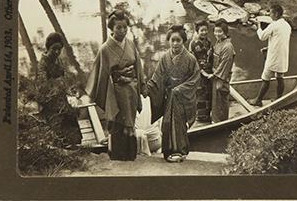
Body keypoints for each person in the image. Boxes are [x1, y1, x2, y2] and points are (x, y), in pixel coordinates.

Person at [85, 10, 144, 161]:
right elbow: (101, 74)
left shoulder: (130, 43)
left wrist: (141, 85)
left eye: (125, 27)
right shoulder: (105, 49)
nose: (122, 31)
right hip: (115, 92)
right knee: (117, 124)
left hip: (131, 90)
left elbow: (138, 67)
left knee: (130, 123)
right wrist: (117, 75)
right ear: (112, 28)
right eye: (118, 27)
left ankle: (130, 155)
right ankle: (117, 156)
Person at [143, 25, 201, 162]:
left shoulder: (190, 59)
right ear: (168, 41)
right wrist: (147, 88)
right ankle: (168, 151)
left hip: (182, 98)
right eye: (172, 40)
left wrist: (180, 89)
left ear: (183, 41)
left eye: (178, 40)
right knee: (167, 122)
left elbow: (195, 79)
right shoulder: (165, 58)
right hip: (169, 96)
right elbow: (157, 77)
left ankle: (180, 151)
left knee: (180, 124)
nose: (175, 43)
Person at [36, 32, 82, 146]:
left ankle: (73, 143)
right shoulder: (42, 64)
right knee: (59, 132)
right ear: (48, 48)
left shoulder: (58, 60)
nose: (57, 52)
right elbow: (43, 85)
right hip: (49, 101)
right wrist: (58, 85)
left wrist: (71, 89)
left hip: (61, 98)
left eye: (59, 49)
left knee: (74, 133)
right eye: (54, 49)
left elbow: (65, 76)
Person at [251, 4, 291, 106]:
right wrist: (268, 48)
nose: (270, 15)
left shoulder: (274, 25)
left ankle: (258, 100)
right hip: (283, 56)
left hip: (273, 58)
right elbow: (280, 41)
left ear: (276, 14)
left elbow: (262, 37)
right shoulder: (287, 26)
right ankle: (278, 99)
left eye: (271, 13)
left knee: (266, 78)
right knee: (280, 77)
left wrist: (259, 27)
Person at [207, 20, 235, 122]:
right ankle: (216, 118)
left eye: (220, 32)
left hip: (222, 76)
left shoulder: (228, 47)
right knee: (216, 100)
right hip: (216, 75)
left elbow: (225, 64)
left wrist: (216, 76)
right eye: (216, 31)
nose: (217, 34)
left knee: (221, 98)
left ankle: (221, 121)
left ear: (225, 33)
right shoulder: (219, 42)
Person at [188, 20, 213, 122]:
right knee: (200, 94)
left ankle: (207, 114)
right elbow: (193, 61)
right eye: (201, 30)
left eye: (206, 30)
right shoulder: (194, 44)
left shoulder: (208, 41)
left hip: (208, 72)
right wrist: (202, 72)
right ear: (197, 31)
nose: (204, 32)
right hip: (199, 73)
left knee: (208, 93)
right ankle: (201, 117)